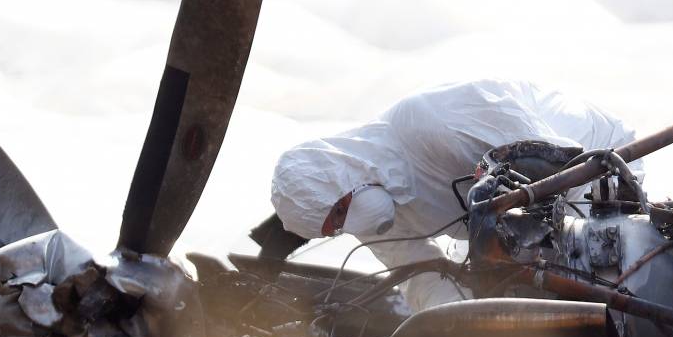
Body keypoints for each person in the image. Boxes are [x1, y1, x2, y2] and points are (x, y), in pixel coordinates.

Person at [269, 79, 638, 313]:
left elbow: (555, 161)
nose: (346, 225)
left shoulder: (427, 122)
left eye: (338, 212)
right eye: (334, 230)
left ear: (341, 174)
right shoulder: (373, 213)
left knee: (608, 292)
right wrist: (461, 329)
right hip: (528, 230)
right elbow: (418, 277)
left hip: (600, 166)